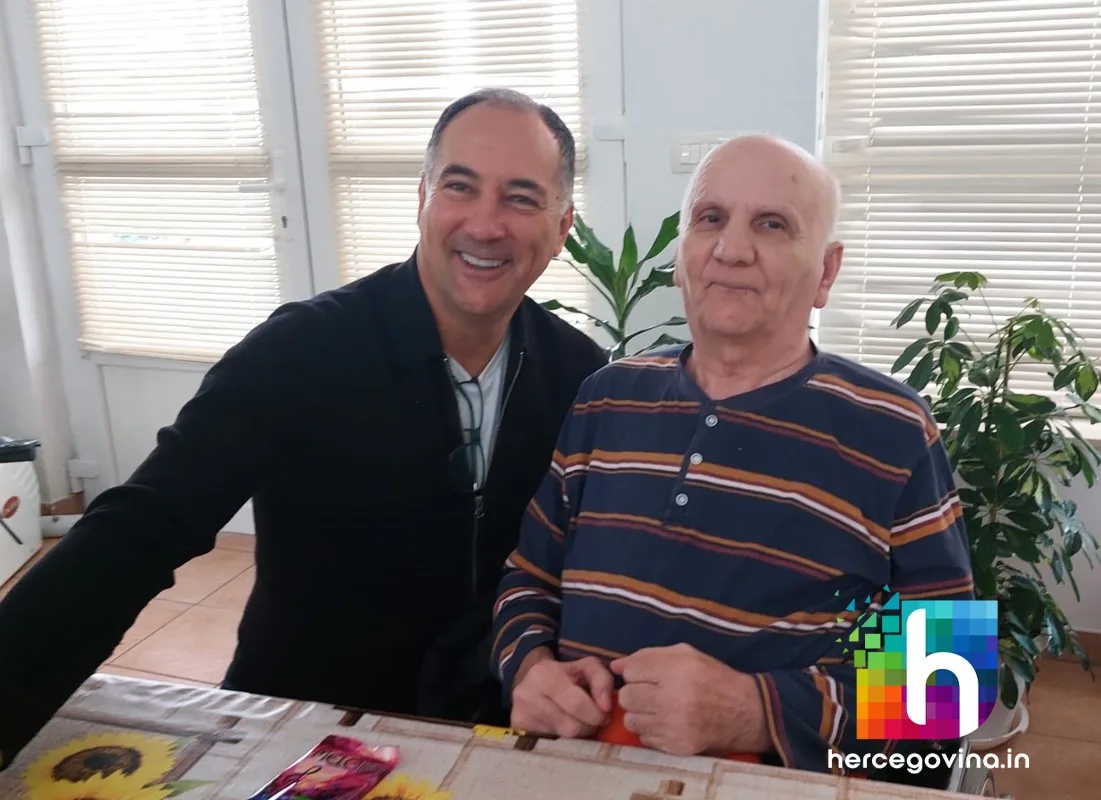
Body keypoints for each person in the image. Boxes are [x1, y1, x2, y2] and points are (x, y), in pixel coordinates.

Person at [0, 88, 608, 771]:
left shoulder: (581, 377)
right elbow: (138, 529)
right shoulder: (300, 351)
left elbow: (590, 573)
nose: (485, 223)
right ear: (422, 198)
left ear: (562, 227)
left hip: (482, 727)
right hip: (299, 728)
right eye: (459, 186)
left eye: (521, 198)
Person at [489, 134, 975, 774]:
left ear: (826, 271)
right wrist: (528, 668)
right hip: (566, 774)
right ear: (680, 255)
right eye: (710, 218)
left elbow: (946, 686)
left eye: (771, 225)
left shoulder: (891, 429)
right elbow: (528, 579)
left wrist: (754, 710)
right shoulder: (606, 399)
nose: (731, 249)